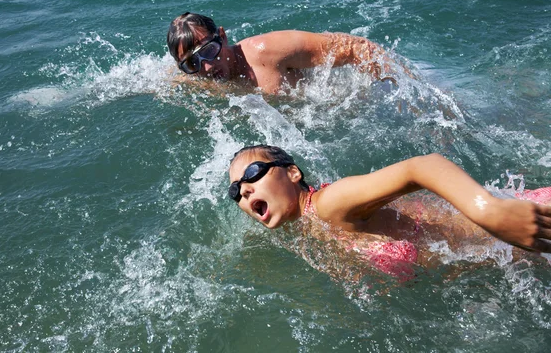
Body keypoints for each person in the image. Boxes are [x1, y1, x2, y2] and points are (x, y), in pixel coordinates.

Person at [227, 145, 551, 279]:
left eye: (253, 173)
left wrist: (491, 212)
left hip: (532, 223)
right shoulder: (309, 229)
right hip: (518, 255)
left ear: (293, 173)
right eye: (235, 191)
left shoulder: (329, 204)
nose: (243, 189)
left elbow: (422, 166)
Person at [167, 12, 396, 94]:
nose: (206, 67)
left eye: (209, 51)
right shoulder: (199, 78)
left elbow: (358, 48)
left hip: (368, 100)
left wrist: (404, 90)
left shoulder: (267, 51)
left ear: (223, 37)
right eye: (192, 63)